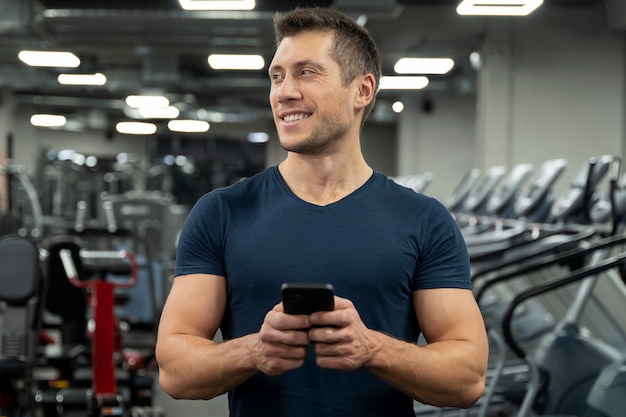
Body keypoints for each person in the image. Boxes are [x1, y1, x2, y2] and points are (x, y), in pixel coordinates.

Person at [155, 6, 489, 417]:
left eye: (307, 72)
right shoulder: (221, 213)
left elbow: (468, 378)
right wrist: (254, 350)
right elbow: (174, 370)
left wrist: (372, 348)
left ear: (362, 91)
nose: (284, 92)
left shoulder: (424, 220)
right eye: (277, 76)